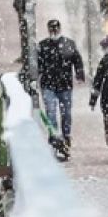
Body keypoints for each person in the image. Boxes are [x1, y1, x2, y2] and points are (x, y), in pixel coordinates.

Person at [36, 19, 85, 148]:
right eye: (52, 29)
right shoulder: (43, 46)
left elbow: (77, 60)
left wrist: (79, 74)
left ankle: (66, 135)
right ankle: (54, 135)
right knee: (51, 112)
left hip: (64, 84)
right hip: (49, 84)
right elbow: (38, 64)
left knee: (66, 113)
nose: (54, 31)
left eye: (55, 29)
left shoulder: (68, 44)